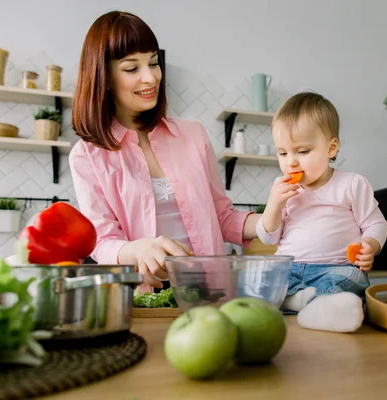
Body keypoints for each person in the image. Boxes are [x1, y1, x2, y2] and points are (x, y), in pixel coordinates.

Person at [69, 11, 260, 290]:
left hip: (211, 290)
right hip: (146, 295)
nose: (150, 77)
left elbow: (223, 218)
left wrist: (274, 217)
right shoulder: (87, 155)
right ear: (105, 76)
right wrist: (139, 249)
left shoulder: (193, 135)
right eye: (132, 68)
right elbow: (102, 240)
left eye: (154, 63)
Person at [257, 92, 387, 332]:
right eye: (283, 153)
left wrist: (370, 243)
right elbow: (269, 237)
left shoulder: (351, 184)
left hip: (336, 267)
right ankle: (308, 303)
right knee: (261, 278)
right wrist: (274, 204)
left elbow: (377, 224)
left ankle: (306, 304)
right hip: (289, 268)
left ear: (331, 148)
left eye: (303, 151)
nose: (291, 163)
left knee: (351, 280)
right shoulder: (282, 189)